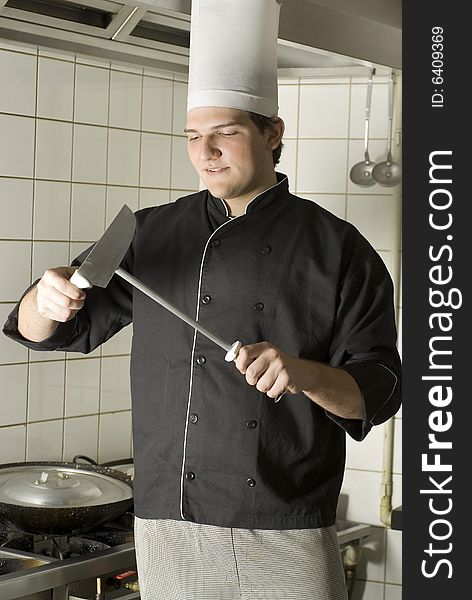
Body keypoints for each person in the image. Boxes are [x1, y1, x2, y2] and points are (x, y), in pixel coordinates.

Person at [2, 2, 402, 598]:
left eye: (226, 133)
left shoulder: (338, 249)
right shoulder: (149, 233)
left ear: (273, 133)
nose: (205, 152)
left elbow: (381, 386)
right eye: (193, 136)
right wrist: (48, 297)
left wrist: (301, 372)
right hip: (168, 522)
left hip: (283, 528)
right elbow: (44, 330)